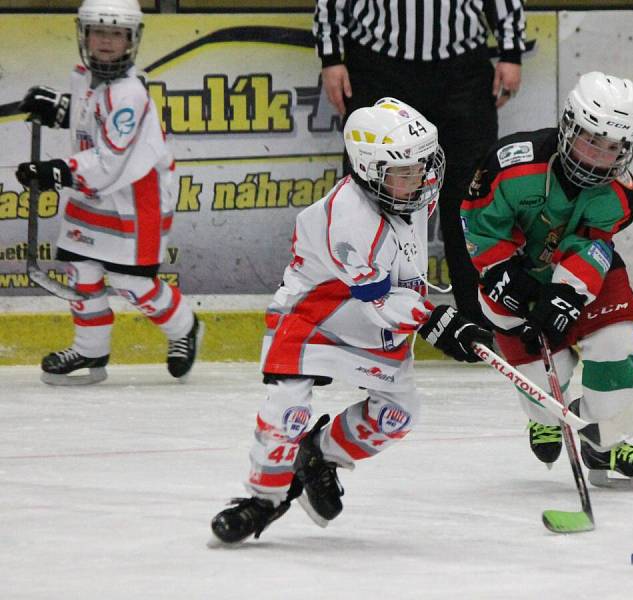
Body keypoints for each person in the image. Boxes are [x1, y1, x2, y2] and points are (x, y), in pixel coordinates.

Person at [210, 98, 492, 544]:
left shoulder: (413, 193)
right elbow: (376, 299)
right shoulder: (348, 218)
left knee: (398, 414)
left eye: (422, 166)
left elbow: (401, 279)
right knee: (288, 409)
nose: (418, 179)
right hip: (318, 314)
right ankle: (262, 501)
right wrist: (436, 320)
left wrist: (446, 320)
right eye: (404, 172)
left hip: (383, 314)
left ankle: (318, 457)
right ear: (369, 170)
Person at [462, 72, 633, 489]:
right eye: (591, 140)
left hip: (585, 274)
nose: (599, 157)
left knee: (615, 343)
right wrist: (501, 271)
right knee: (541, 381)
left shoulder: (620, 194)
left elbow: (594, 246)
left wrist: (567, 293)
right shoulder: (510, 164)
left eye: (613, 148)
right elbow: (479, 224)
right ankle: (546, 418)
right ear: (568, 126)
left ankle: (606, 439)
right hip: (514, 271)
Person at [15, 0, 202, 386]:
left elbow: (111, 158)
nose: (105, 41)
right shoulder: (83, 76)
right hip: (94, 193)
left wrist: (56, 171)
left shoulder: (130, 93)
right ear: (83, 34)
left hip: (138, 200)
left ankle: (184, 328)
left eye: (116, 34)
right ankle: (90, 347)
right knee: (82, 271)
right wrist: (60, 110)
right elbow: (91, 120)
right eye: (98, 31)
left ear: (131, 40)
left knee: (130, 282)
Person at [314, 0, 527, 326]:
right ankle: (360, 319)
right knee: (370, 195)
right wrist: (330, 57)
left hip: (461, 71)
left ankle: (478, 319)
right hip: (378, 66)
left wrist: (511, 52)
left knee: (471, 196)